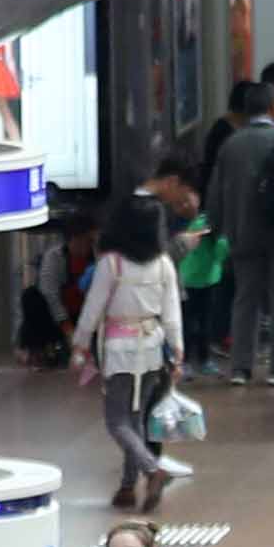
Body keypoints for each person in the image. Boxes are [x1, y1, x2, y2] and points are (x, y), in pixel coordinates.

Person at [67, 193, 190, 513]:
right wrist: (177, 352)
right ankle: (126, 488)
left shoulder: (112, 263)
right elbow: (172, 312)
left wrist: (80, 344)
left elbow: (93, 308)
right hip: (153, 348)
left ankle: (152, 469)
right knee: (135, 419)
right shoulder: (163, 264)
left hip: (119, 350)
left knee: (116, 421)